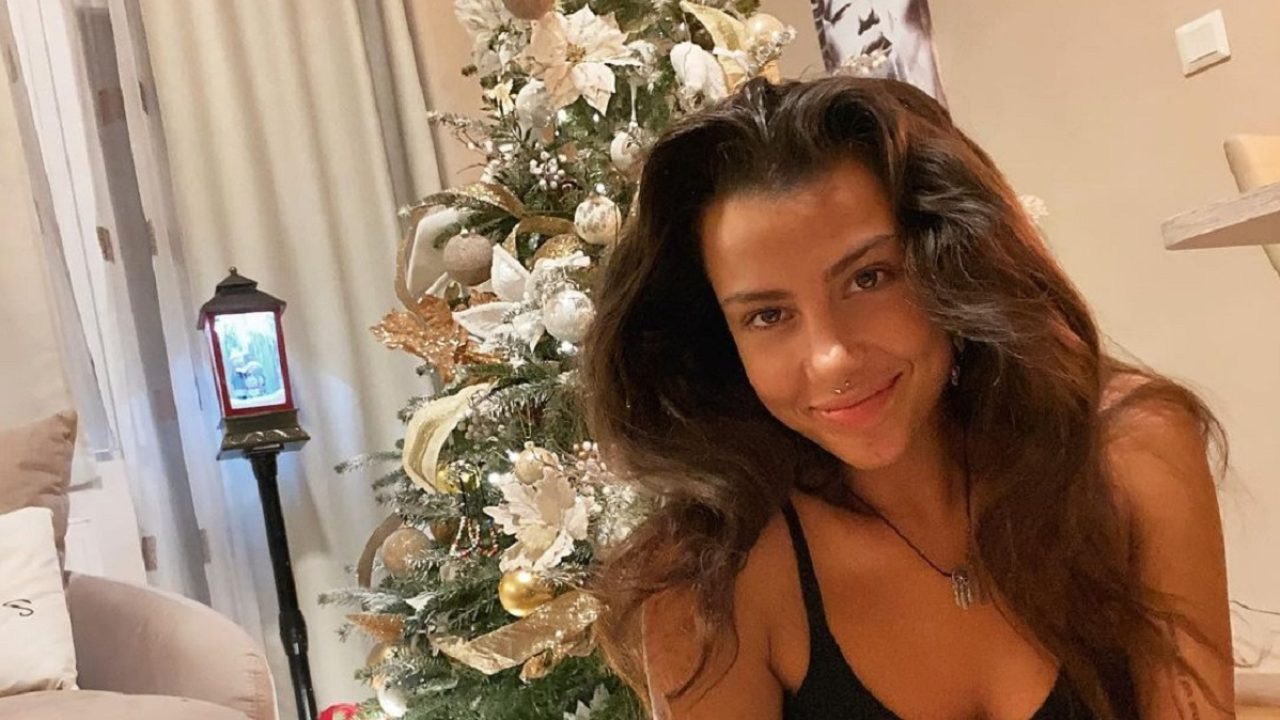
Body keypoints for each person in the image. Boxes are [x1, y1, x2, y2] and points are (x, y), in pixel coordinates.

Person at [581, 76, 1234, 719]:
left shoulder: (1133, 454)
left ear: (953, 263)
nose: (832, 357)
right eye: (768, 316)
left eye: (870, 278)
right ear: (719, 342)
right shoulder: (706, 587)